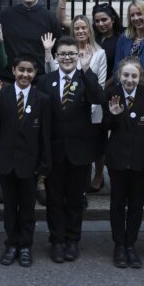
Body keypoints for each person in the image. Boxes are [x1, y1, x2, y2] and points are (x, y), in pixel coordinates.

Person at [37, 36, 105, 264]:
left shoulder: (85, 79)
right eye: (63, 54)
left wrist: (86, 70)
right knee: (54, 199)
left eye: (71, 54)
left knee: (75, 199)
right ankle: (57, 240)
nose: (67, 58)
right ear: (56, 57)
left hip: (79, 152)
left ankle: (72, 239)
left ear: (79, 56)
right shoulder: (46, 81)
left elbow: (99, 98)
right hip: (54, 152)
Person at [0, 55, 51, 268]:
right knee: (10, 207)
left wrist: (44, 165)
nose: (25, 74)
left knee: (27, 208)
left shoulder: (42, 99)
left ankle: (26, 246)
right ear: (13, 70)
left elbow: (45, 135)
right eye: (21, 70)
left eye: (29, 71)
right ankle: (11, 244)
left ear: (35, 73)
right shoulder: (2, 95)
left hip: (30, 163)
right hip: (6, 162)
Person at [103, 57, 144, 269]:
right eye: (126, 75)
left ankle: (130, 245)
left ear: (140, 77)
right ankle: (119, 245)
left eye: (134, 75)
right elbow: (103, 126)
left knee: (136, 205)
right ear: (119, 75)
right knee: (117, 204)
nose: (129, 79)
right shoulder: (111, 94)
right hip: (117, 160)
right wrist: (115, 116)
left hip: (140, 162)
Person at [91, 2, 123, 193]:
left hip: (107, 91)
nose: (101, 24)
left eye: (104, 20)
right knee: (89, 134)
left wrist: (102, 87)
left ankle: (99, 174)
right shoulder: (92, 37)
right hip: (89, 91)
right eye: (97, 21)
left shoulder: (119, 39)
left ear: (113, 20)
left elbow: (118, 69)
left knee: (100, 134)